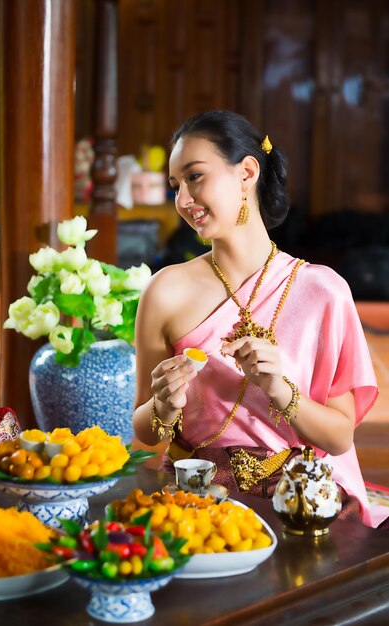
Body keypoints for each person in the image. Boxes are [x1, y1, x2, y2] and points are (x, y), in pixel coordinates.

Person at [132, 109, 387, 528]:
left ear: (247, 172)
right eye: (175, 186)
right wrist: (163, 404)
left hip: (296, 496)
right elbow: (145, 430)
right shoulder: (165, 291)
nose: (182, 200)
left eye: (195, 177)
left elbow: (339, 437)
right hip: (191, 498)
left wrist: (280, 390)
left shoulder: (323, 291)